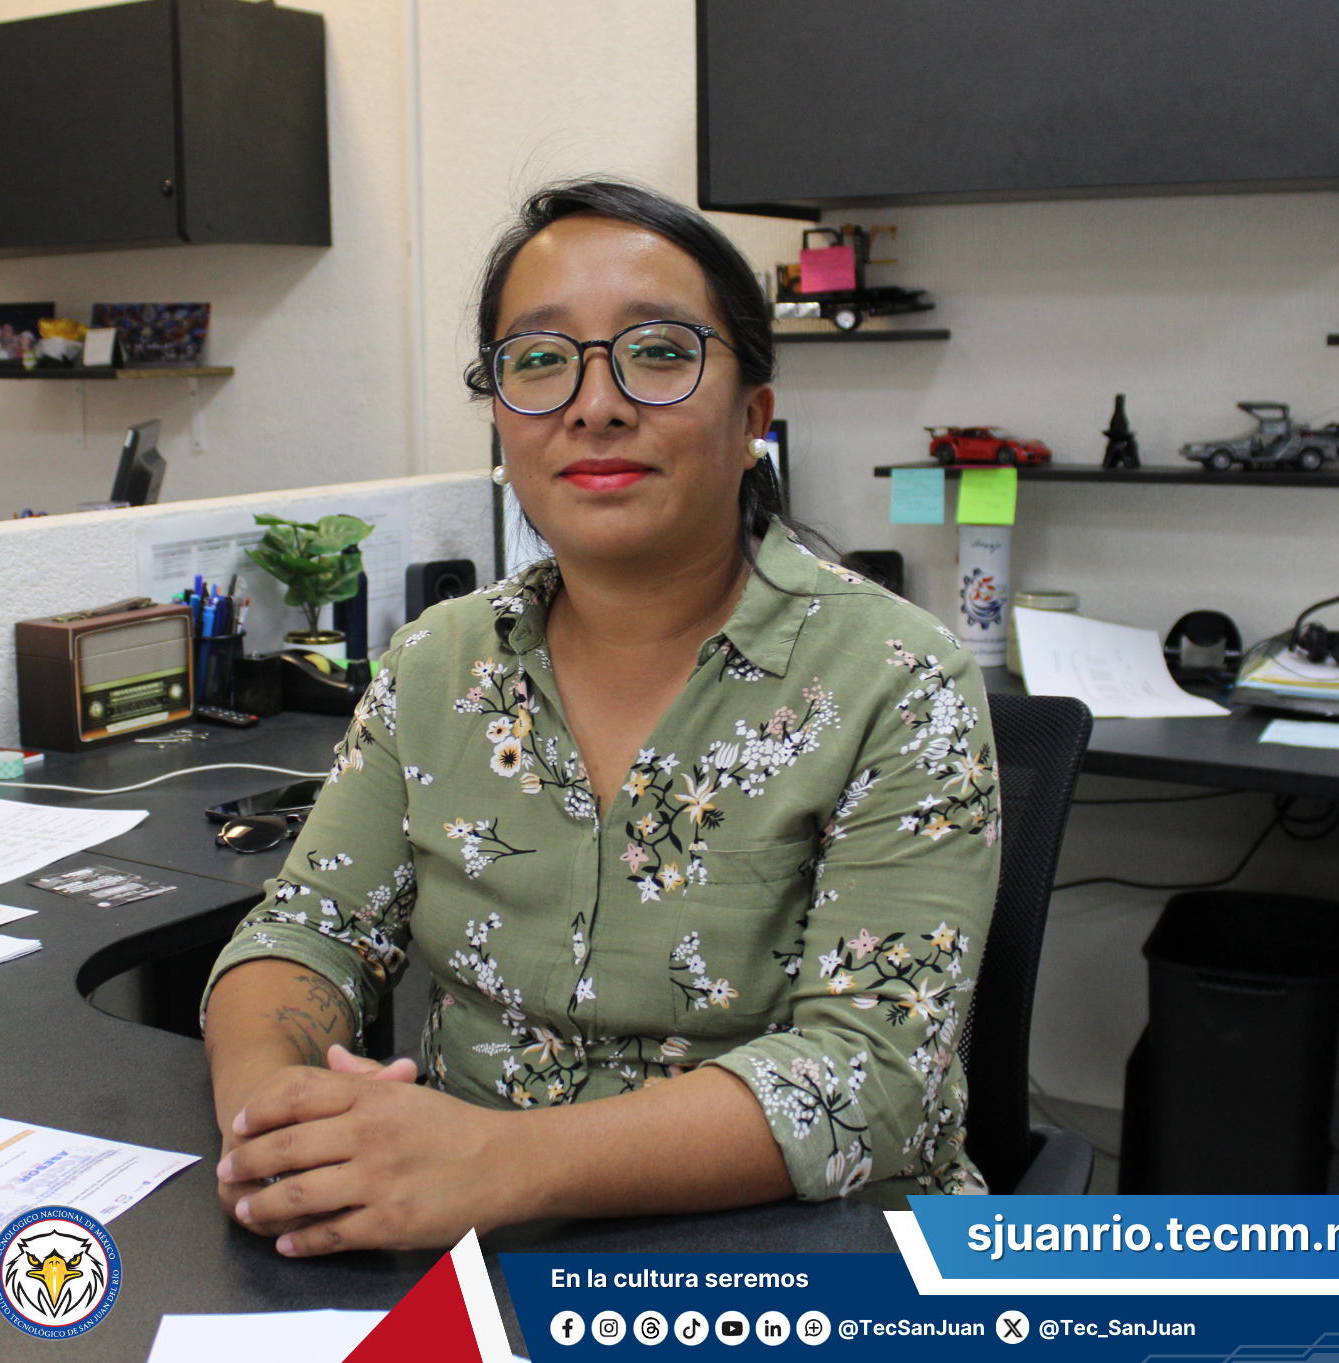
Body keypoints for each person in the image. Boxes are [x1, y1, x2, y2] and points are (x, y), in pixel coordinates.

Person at [201, 179, 999, 1258]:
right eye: (538, 360)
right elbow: (309, 931)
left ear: (752, 418)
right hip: (472, 1244)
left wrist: (495, 1163)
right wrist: (274, 1122)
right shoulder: (436, 665)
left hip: (810, 1255)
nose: (594, 405)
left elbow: (870, 1074)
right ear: (500, 420)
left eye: (658, 351)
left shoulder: (898, 678)